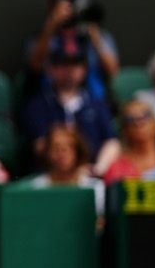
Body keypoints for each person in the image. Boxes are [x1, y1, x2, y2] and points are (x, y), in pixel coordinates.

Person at [19, 46, 120, 176]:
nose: (70, 70)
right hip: (48, 178)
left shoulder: (97, 105)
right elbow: (40, 146)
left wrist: (97, 169)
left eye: (76, 64)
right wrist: (73, 171)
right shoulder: (36, 106)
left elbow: (111, 142)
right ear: (51, 69)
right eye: (63, 64)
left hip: (92, 175)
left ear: (84, 70)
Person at [24, 0, 119, 104]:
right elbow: (34, 66)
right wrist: (51, 27)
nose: (71, 7)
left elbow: (113, 72)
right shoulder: (40, 37)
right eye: (66, 2)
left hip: (93, 100)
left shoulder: (97, 34)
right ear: (52, 5)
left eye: (74, 1)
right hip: (49, 101)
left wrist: (95, 36)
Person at [26, 124, 105, 223]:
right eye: (56, 147)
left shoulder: (95, 188)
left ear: (77, 151)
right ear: (47, 152)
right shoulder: (35, 189)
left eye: (69, 147)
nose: (62, 152)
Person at [101, 100, 155, 184]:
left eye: (145, 116)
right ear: (124, 129)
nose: (138, 123)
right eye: (130, 119)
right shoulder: (117, 168)